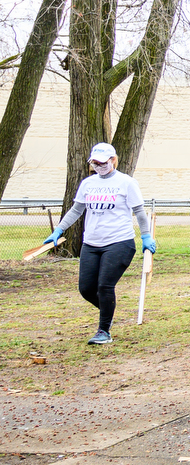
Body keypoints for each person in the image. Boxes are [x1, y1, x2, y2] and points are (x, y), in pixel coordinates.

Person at [42, 143, 157, 345]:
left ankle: (104, 331)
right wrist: (59, 230)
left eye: (103, 162)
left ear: (113, 160)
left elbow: (139, 211)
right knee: (86, 288)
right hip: (91, 244)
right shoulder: (88, 184)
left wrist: (145, 236)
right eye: (95, 163)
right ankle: (108, 311)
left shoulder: (127, 183)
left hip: (119, 242)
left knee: (105, 285)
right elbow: (77, 210)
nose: (99, 166)